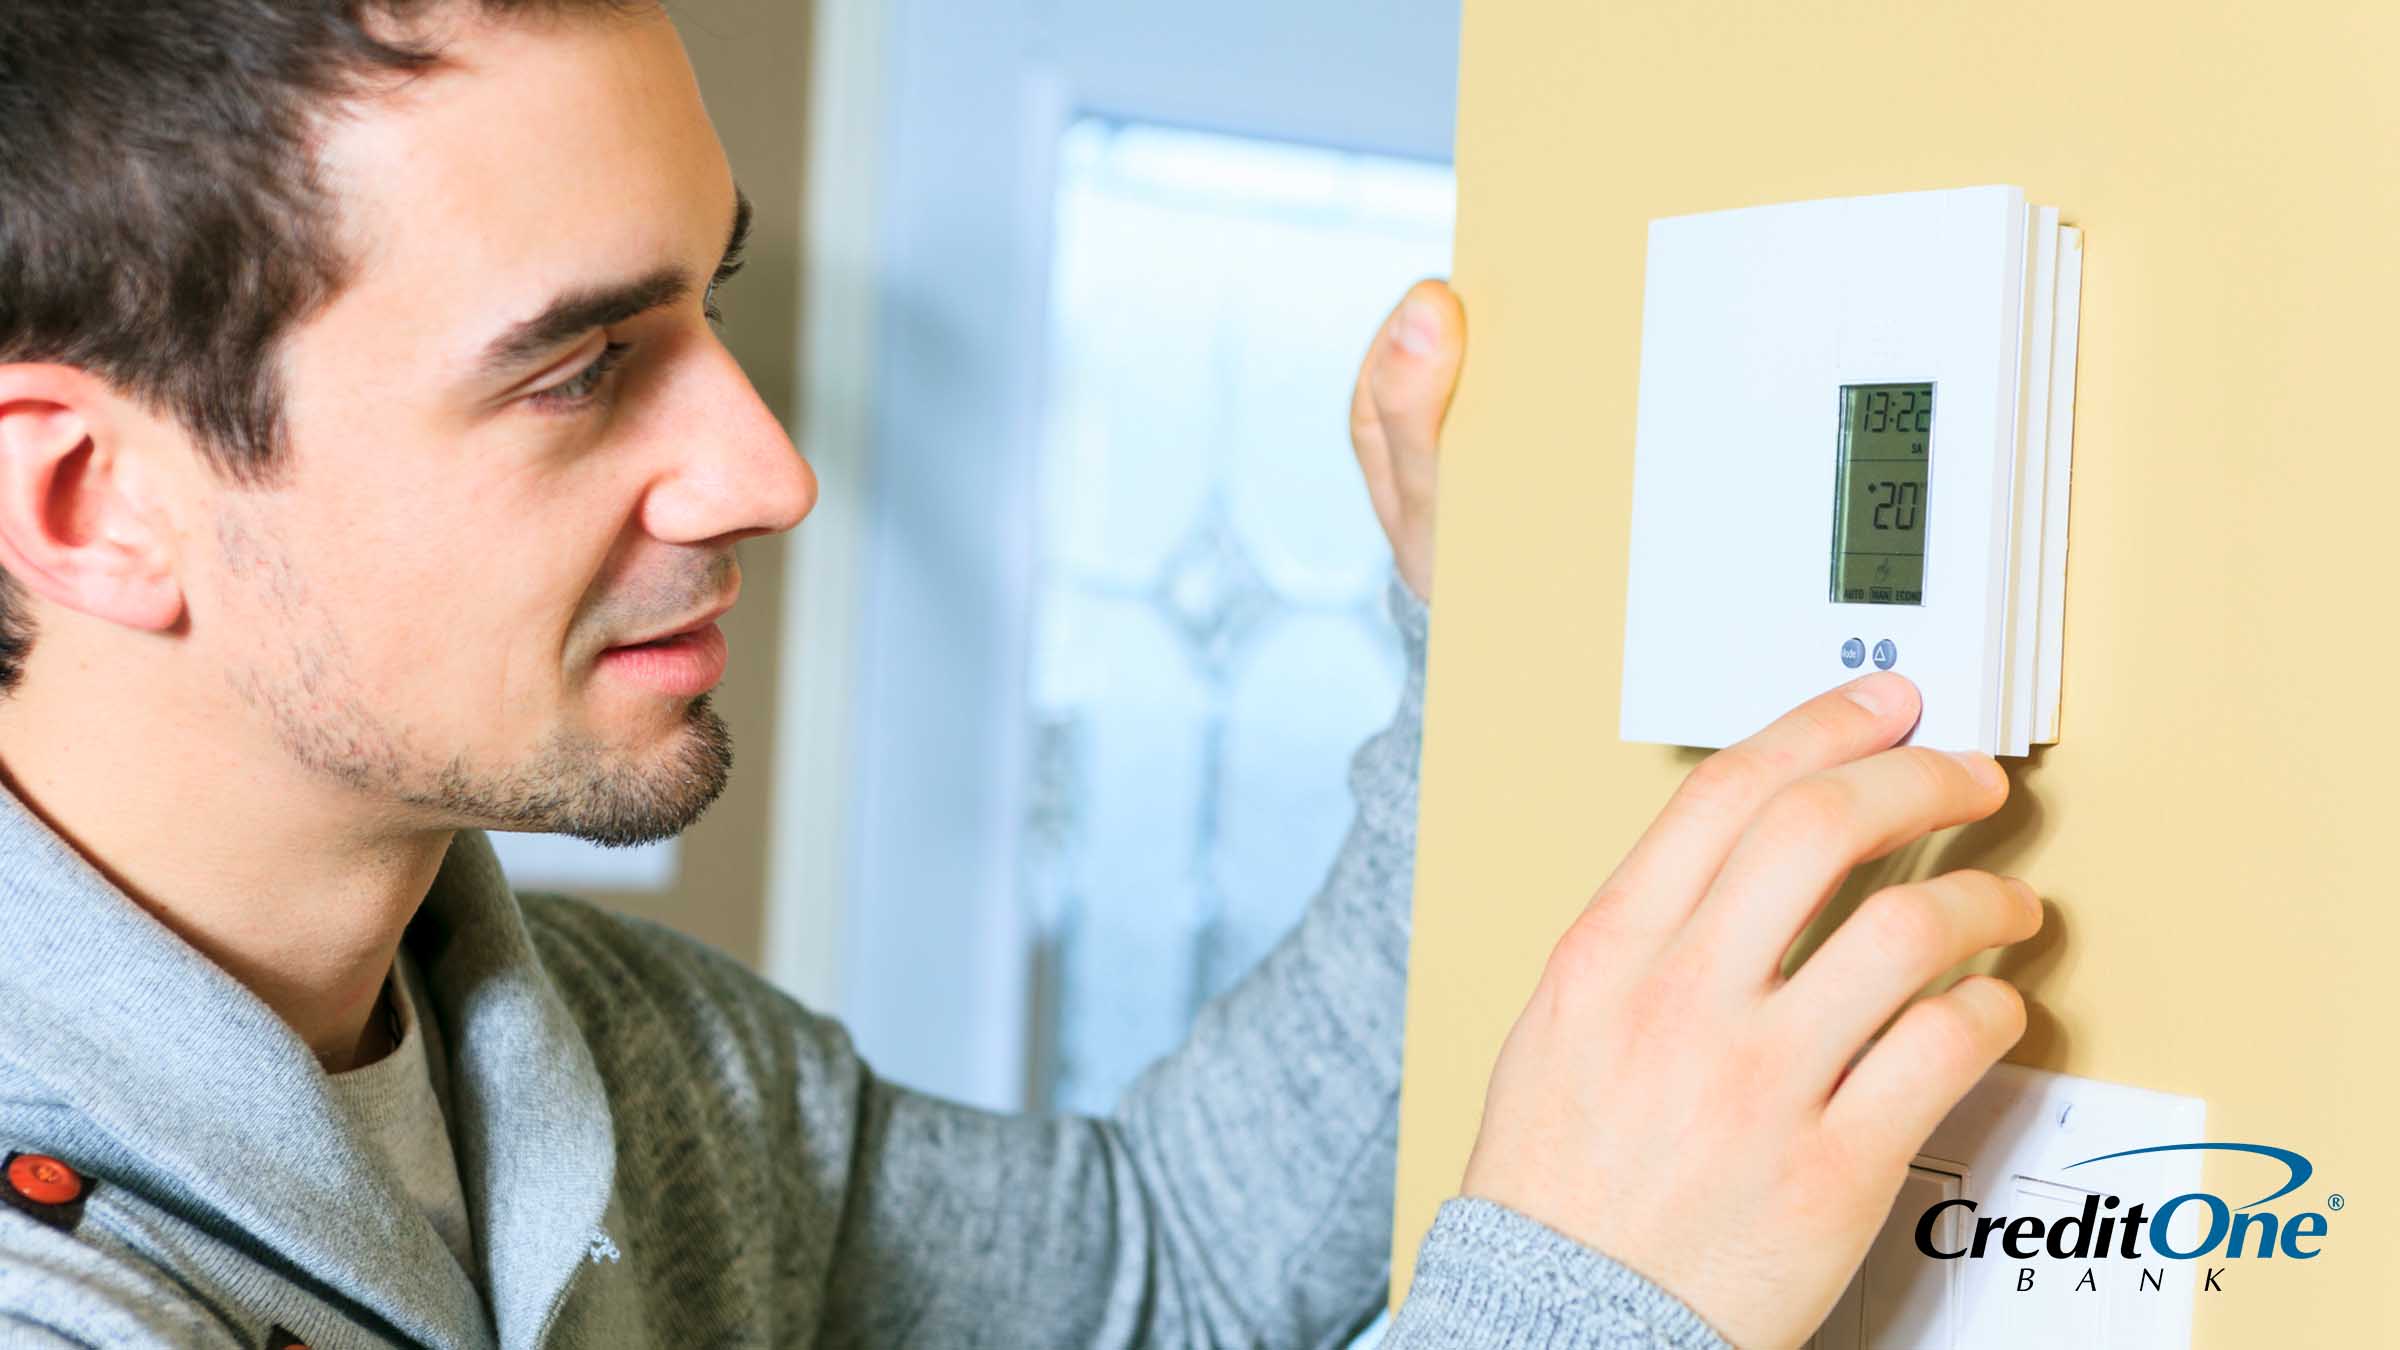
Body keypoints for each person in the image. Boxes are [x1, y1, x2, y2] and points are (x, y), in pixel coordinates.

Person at [0, 3, 2040, 1347]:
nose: (771, 470)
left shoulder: (623, 1067)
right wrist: (1589, 1307)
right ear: (90, 501)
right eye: (577, 369)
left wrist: (1465, 659)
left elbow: (1167, 1273)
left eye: (712, 306)